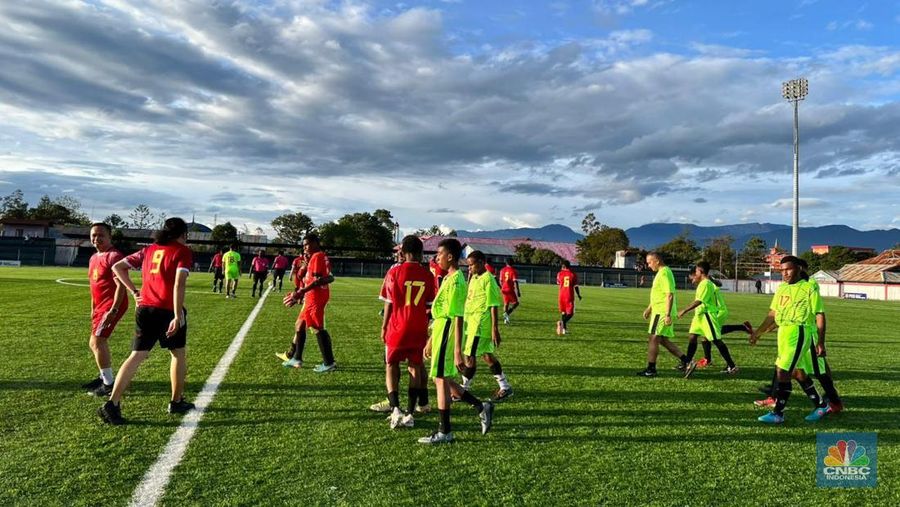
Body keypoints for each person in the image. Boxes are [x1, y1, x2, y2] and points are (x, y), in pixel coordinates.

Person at [98, 218, 195, 425]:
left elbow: (118, 267)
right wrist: (178, 315)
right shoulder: (182, 251)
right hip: (167, 310)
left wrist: (134, 292)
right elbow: (179, 285)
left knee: (136, 356)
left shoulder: (149, 250)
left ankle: (112, 403)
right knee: (178, 354)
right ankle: (176, 401)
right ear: (183, 234)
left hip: (145, 309)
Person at [419, 238, 493, 444]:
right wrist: (431, 338)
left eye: (439, 255)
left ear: (450, 256)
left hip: (448, 333)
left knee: (441, 380)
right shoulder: (448, 278)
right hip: (441, 330)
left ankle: (445, 431)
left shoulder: (458, 281)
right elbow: (442, 314)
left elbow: (458, 317)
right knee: (440, 378)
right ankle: (481, 406)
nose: (436, 258)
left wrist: (457, 350)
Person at [749, 256, 829, 424]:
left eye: (788, 269)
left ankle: (778, 413)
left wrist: (820, 342)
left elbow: (820, 314)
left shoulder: (809, 287)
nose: (785, 273)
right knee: (796, 372)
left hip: (799, 331)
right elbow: (773, 314)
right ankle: (821, 405)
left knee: (782, 371)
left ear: (799, 268)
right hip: (784, 333)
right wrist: (758, 332)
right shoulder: (782, 288)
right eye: (782, 270)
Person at [378, 236, 435, 429]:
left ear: (403, 252)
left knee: (391, 364)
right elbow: (429, 307)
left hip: (397, 326)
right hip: (418, 327)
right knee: (415, 367)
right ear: (420, 253)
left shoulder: (394, 271)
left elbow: (389, 302)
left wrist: (384, 326)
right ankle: (410, 413)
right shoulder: (428, 275)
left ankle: (395, 408)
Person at [83, 222, 128, 397]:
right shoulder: (94, 257)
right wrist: (93, 308)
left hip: (111, 305)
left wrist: (114, 310)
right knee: (94, 342)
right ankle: (104, 377)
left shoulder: (114, 256)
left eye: (101, 235)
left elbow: (121, 286)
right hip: (100, 306)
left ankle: (108, 384)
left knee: (97, 342)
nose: (96, 238)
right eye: (93, 235)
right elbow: (94, 286)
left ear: (110, 237)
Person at [461, 250, 513, 402]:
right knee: (486, 356)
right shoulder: (475, 277)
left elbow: (493, 305)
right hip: (472, 323)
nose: (469, 268)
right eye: (468, 266)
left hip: (480, 324)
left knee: (469, 357)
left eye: (471, 265)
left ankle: (462, 390)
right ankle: (505, 386)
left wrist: (494, 329)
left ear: (481, 263)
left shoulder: (488, 279)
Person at [281, 234, 337, 373]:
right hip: (311, 296)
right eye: (303, 245)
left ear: (316, 243)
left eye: (307, 244)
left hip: (315, 297)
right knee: (299, 325)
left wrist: (300, 292)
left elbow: (318, 280)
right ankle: (296, 358)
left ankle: (329, 362)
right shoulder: (314, 257)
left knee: (317, 327)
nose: (305, 247)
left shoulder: (317, 256)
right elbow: (306, 277)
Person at [677, 262, 739, 378]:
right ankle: (687, 363)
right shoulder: (703, 284)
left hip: (707, 315)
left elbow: (699, 301)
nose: (695, 274)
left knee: (716, 340)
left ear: (700, 271)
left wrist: (684, 310)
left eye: (696, 272)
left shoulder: (706, 284)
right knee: (692, 336)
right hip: (699, 315)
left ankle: (732, 366)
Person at [638, 252, 693, 377]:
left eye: (649, 262)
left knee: (653, 338)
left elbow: (669, 294)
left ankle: (651, 369)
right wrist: (649, 308)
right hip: (659, 310)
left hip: (662, 312)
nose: (648, 265)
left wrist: (667, 314)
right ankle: (687, 361)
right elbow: (659, 295)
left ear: (657, 261)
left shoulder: (664, 273)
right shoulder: (661, 273)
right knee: (662, 340)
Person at [556, 260, 581, 335]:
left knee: (564, 313)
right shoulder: (572, 274)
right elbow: (576, 286)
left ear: (563, 266)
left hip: (561, 295)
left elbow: (558, 283)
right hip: (569, 295)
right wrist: (579, 295)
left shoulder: (559, 274)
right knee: (571, 313)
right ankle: (562, 323)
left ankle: (564, 330)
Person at [498, 259, 521, 325]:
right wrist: (518, 291)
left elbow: (500, 280)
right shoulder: (513, 271)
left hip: (503, 289)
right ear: (513, 263)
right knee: (516, 303)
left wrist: (502, 287)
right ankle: (507, 313)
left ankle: (506, 319)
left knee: (506, 304)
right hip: (510, 289)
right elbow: (515, 281)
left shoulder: (502, 270)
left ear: (506, 263)